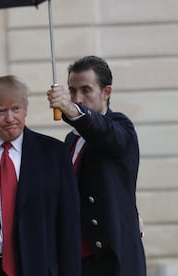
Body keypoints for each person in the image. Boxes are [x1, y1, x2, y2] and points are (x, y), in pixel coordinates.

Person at [0, 75, 81, 276]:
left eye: (16, 109)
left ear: (25, 109)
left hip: (39, 268)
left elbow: (68, 223)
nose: (10, 118)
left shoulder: (53, 152)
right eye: (1, 111)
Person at [46, 55, 146, 276]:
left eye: (86, 90)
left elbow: (102, 131)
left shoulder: (120, 126)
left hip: (111, 259)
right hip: (76, 259)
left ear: (106, 92)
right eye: (72, 91)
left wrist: (71, 109)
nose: (77, 98)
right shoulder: (72, 139)